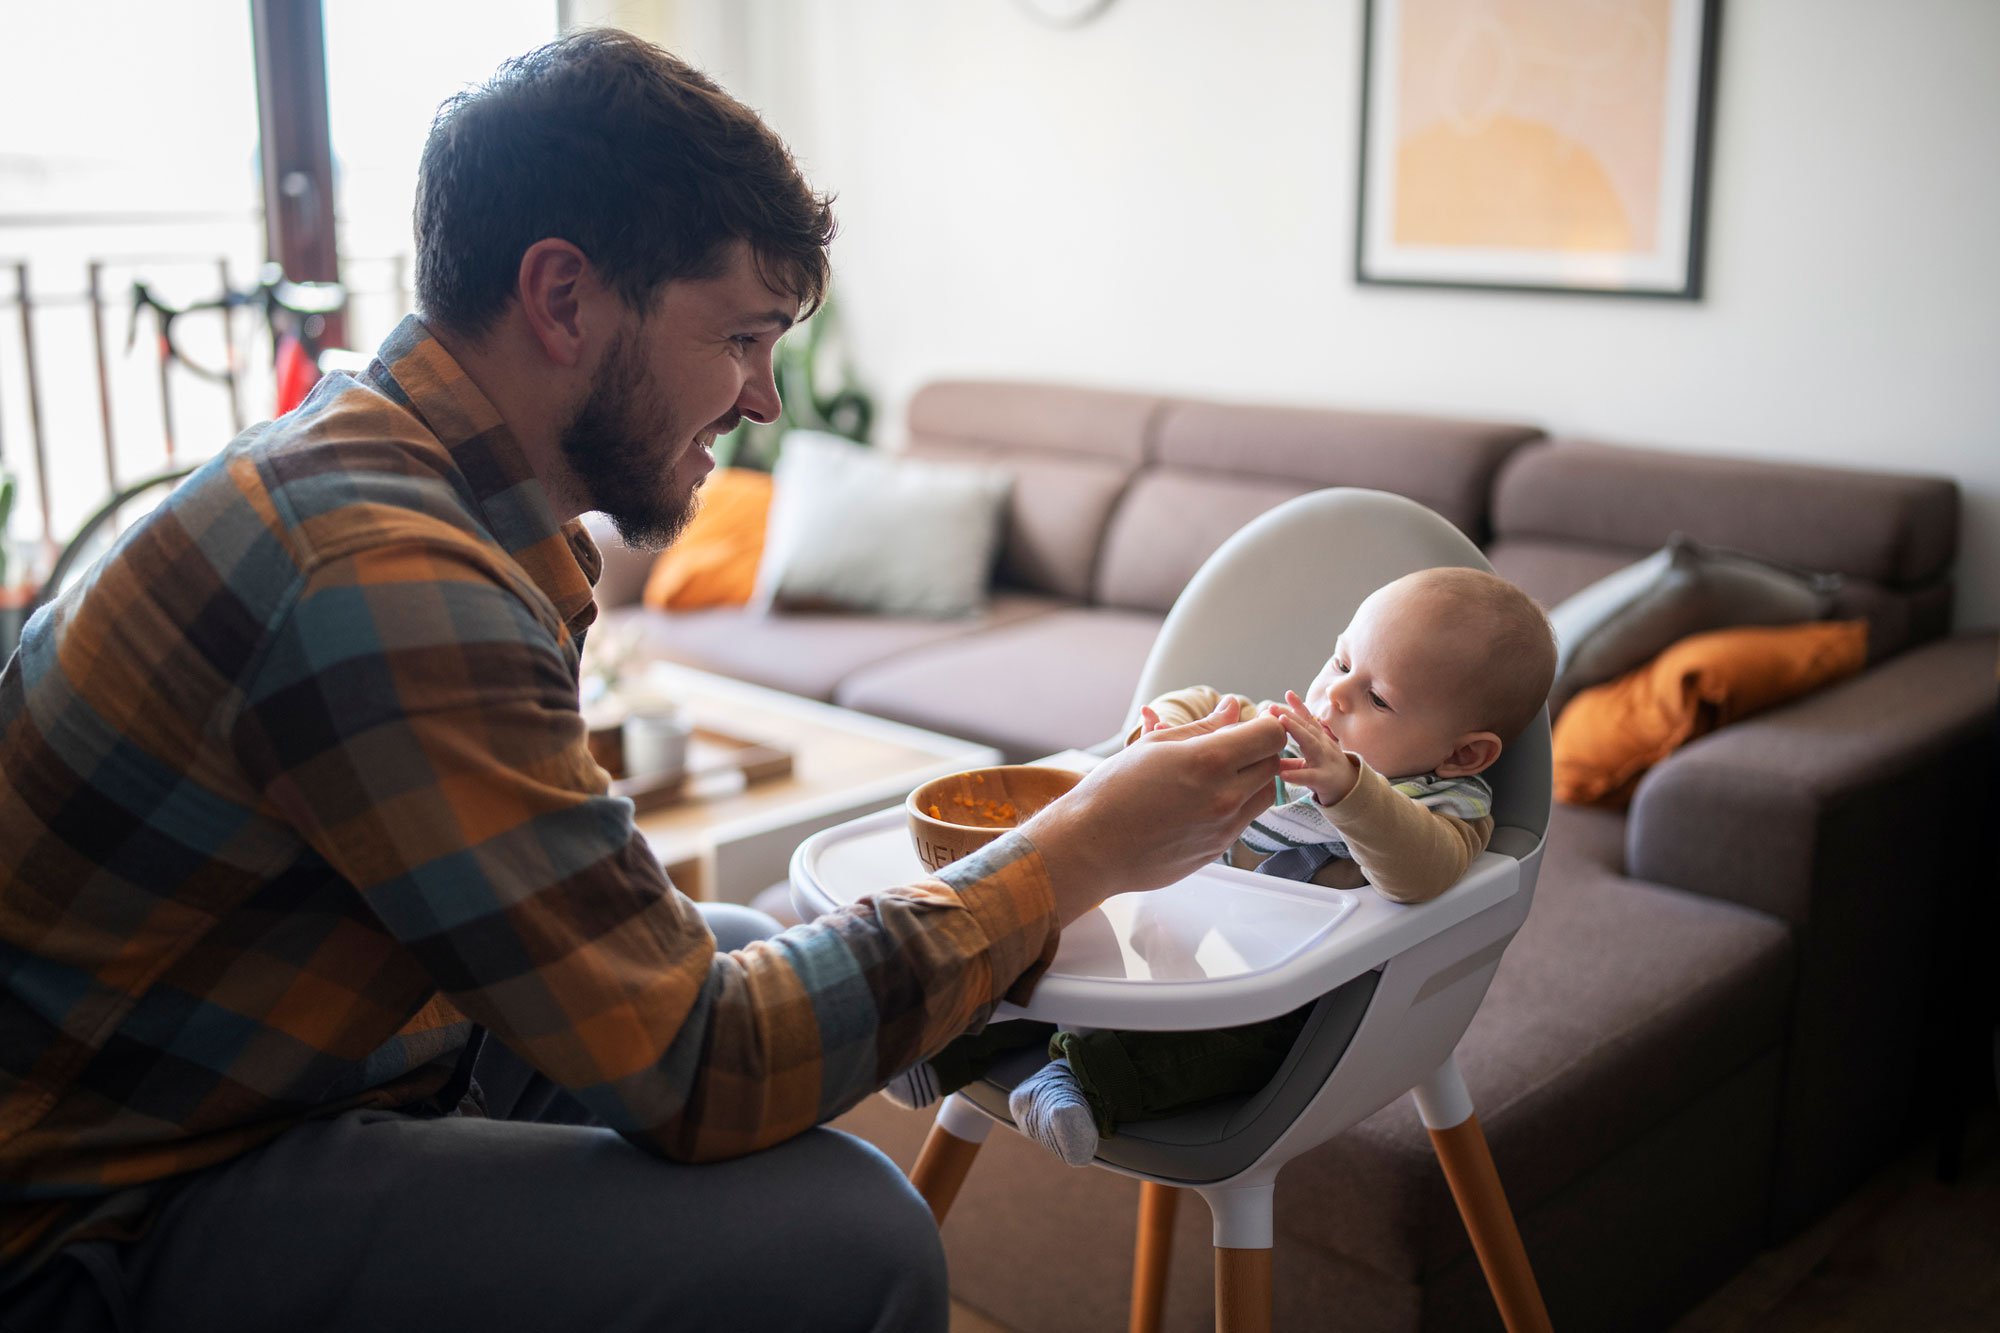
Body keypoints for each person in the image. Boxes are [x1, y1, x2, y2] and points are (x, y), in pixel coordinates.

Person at [0, 31, 1289, 1333]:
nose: (768, 400)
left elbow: (654, 982)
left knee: (736, 942)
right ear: (564, 297)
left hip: (253, 1064)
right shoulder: (381, 574)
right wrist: (1074, 852)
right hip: (95, 1224)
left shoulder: (394, 476)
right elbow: (702, 1067)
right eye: (740, 336)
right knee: (850, 1238)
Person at [884, 568, 1557, 1165]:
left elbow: (1421, 870)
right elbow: (1205, 703)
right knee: (1056, 951)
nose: (1337, 695)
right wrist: (1160, 730)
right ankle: (949, 1049)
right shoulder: (1279, 732)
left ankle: (1082, 1085)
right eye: (1340, 659)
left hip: (1284, 995)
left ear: (1464, 755)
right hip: (1173, 938)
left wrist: (1348, 787)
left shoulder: (1448, 808)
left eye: (1378, 698)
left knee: (1237, 1046)